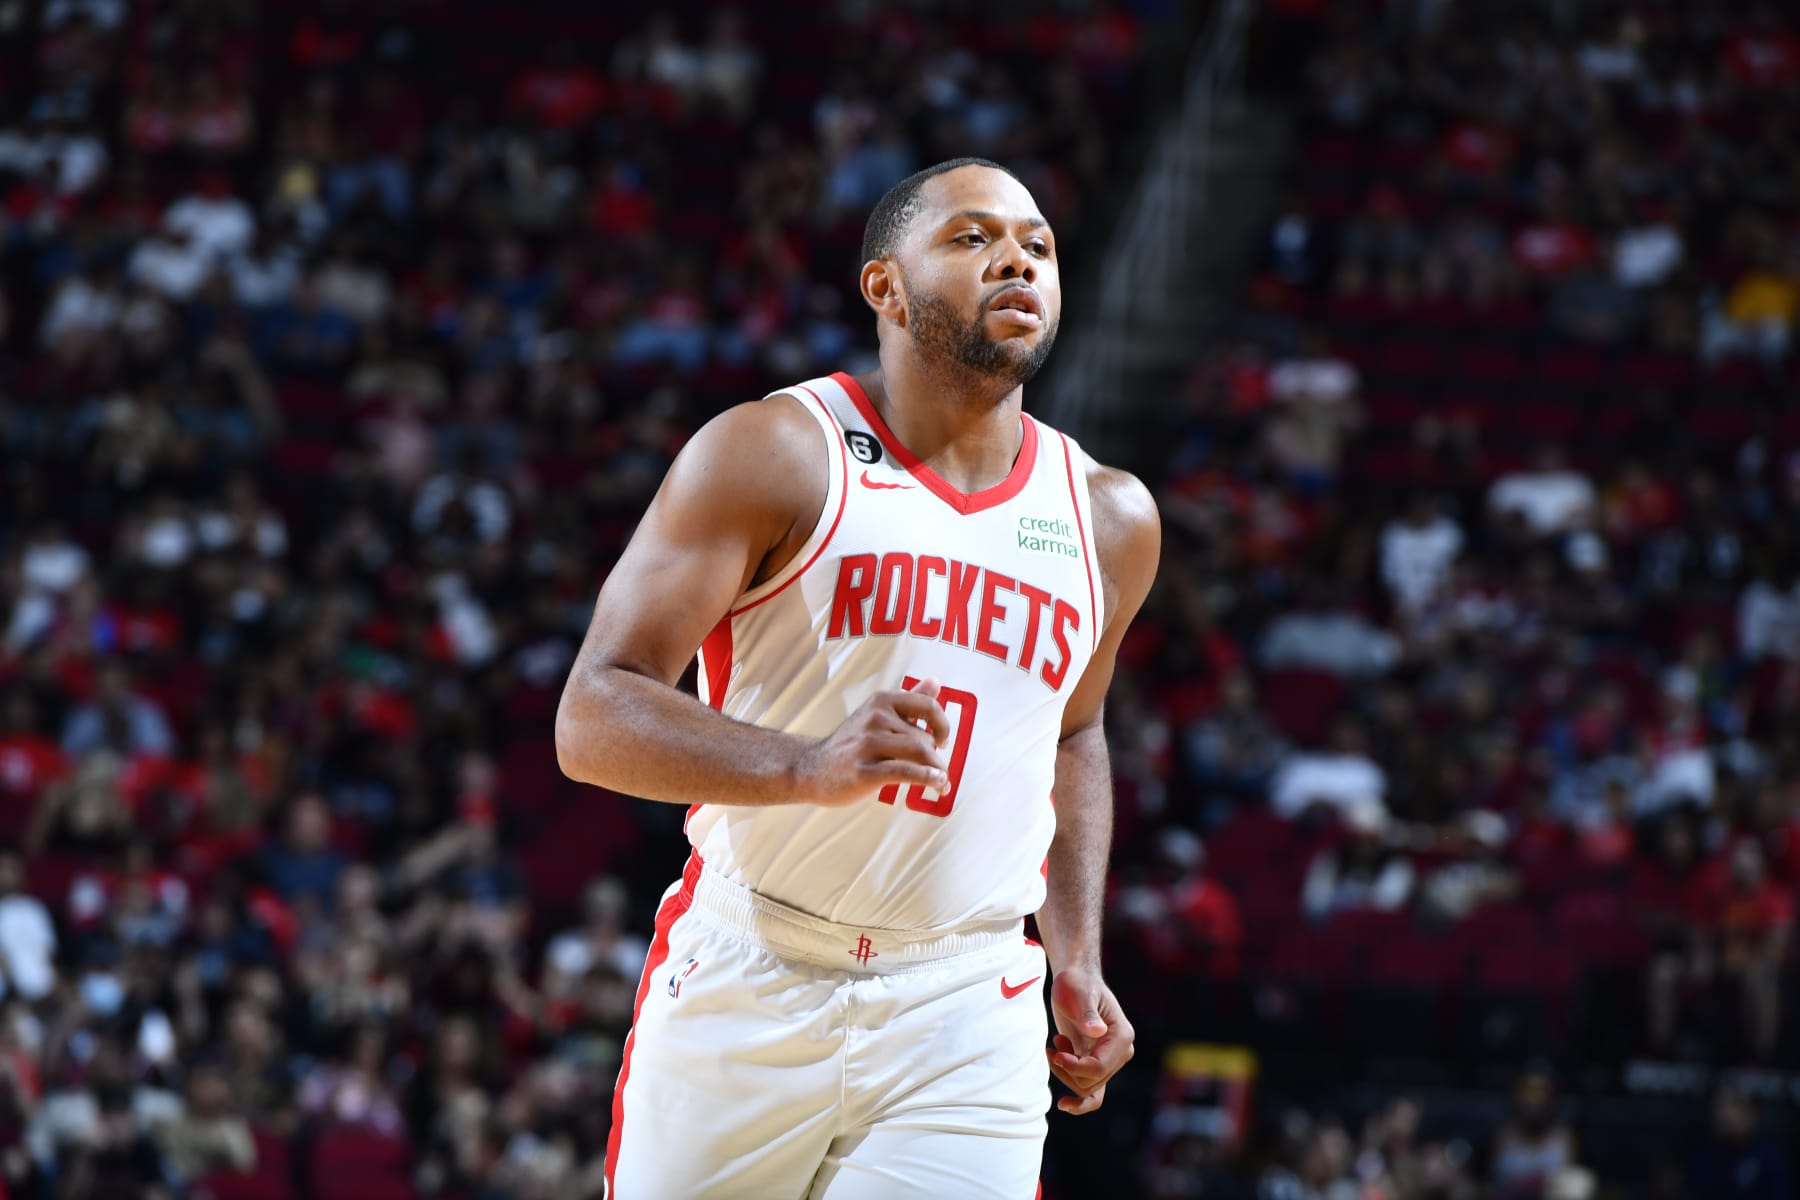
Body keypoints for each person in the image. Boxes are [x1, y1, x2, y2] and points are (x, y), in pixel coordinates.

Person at [556, 158, 1159, 1197]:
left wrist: (1076, 953)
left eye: (1040, 246)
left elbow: (1072, 732)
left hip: (966, 1001)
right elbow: (593, 714)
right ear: (885, 286)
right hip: (755, 967)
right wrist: (805, 766)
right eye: (973, 238)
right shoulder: (773, 453)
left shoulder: (1109, 517)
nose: (1017, 257)